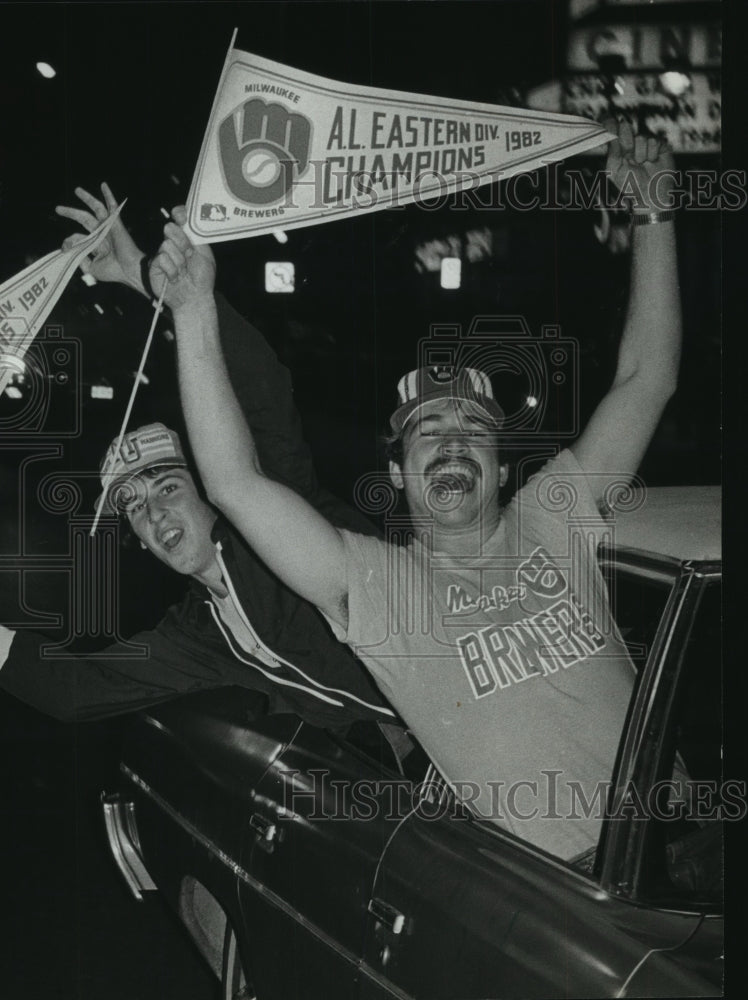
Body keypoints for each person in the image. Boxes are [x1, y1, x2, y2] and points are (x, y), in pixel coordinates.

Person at [155, 122, 682, 860]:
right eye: (427, 432)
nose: (453, 441)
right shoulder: (377, 585)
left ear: (502, 468)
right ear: (400, 473)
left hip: (694, 835)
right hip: (583, 895)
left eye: (473, 428)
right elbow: (235, 484)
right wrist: (192, 309)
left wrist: (655, 211)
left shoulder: (554, 512)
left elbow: (645, 379)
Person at [0, 185, 395, 729]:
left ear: (207, 485)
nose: (155, 514)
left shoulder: (283, 509)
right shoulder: (202, 630)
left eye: (167, 486)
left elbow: (264, 395)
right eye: (134, 504)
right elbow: (77, 688)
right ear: (136, 537)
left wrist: (151, 278)